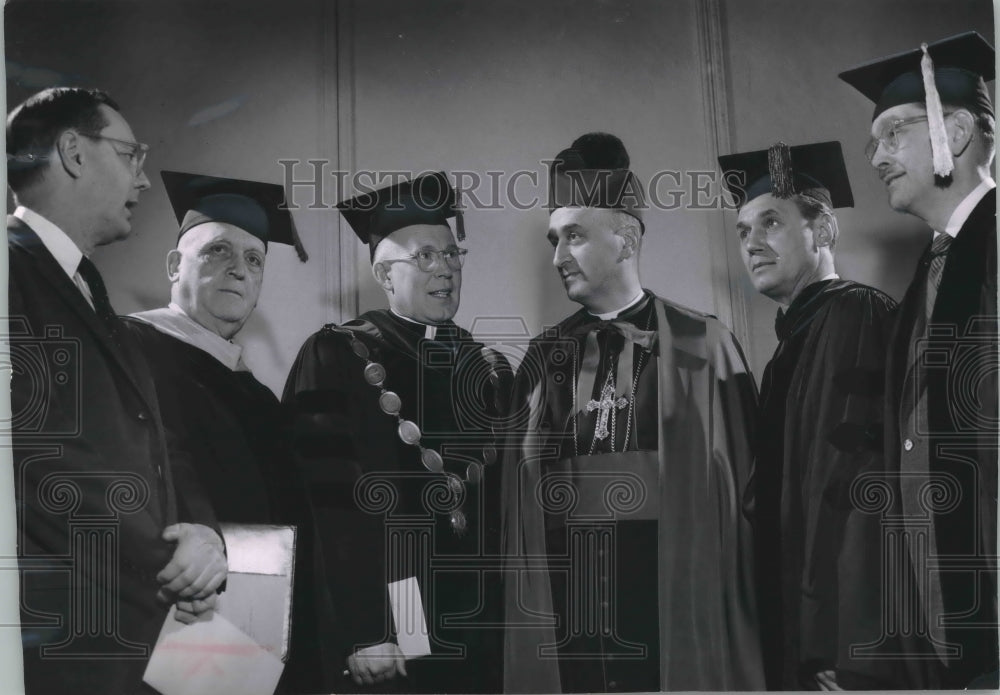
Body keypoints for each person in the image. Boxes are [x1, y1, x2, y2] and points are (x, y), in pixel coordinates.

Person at [501, 132, 763, 692]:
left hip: (671, 593)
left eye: (573, 236)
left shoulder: (702, 344)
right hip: (570, 604)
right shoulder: (543, 357)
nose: (557, 257)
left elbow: (745, 503)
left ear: (625, 241)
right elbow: (516, 505)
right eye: (553, 239)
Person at [6, 87, 227, 694]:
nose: (145, 179)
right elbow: (35, 453)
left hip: (134, 630)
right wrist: (169, 566)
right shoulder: (8, 270)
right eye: (131, 154)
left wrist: (204, 534)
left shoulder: (87, 287)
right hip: (68, 638)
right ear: (74, 152)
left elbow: (158, 439)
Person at [283, 171, 511, 693]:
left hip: (485, 619)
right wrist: (367, 629)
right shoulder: (341, 355)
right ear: (385, 276)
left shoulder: (491, 366)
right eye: (425, 256)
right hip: (397, 606)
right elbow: (328, 504)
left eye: (453, 255)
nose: (445, 269)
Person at [120, 170, 334, 692]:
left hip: (263, 627)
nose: (239, 270)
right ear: (175, 265)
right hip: (178, 623)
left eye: (254, 259)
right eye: (218, 251)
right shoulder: (129, 349)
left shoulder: (258, 394)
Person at [840, 31, 998, 689]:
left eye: (892, 134)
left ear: (955, 130)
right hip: (938, 613)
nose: (874, 156)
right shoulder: (927, 273)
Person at [718, 141, 897, 689]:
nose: (752, 244)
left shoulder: (853, 315)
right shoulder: (792, 345)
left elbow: (853, 491)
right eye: (744, 231)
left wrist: (838, 649)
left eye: (770, 222)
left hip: (841, 645)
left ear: (823, 232)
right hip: (802, 627)